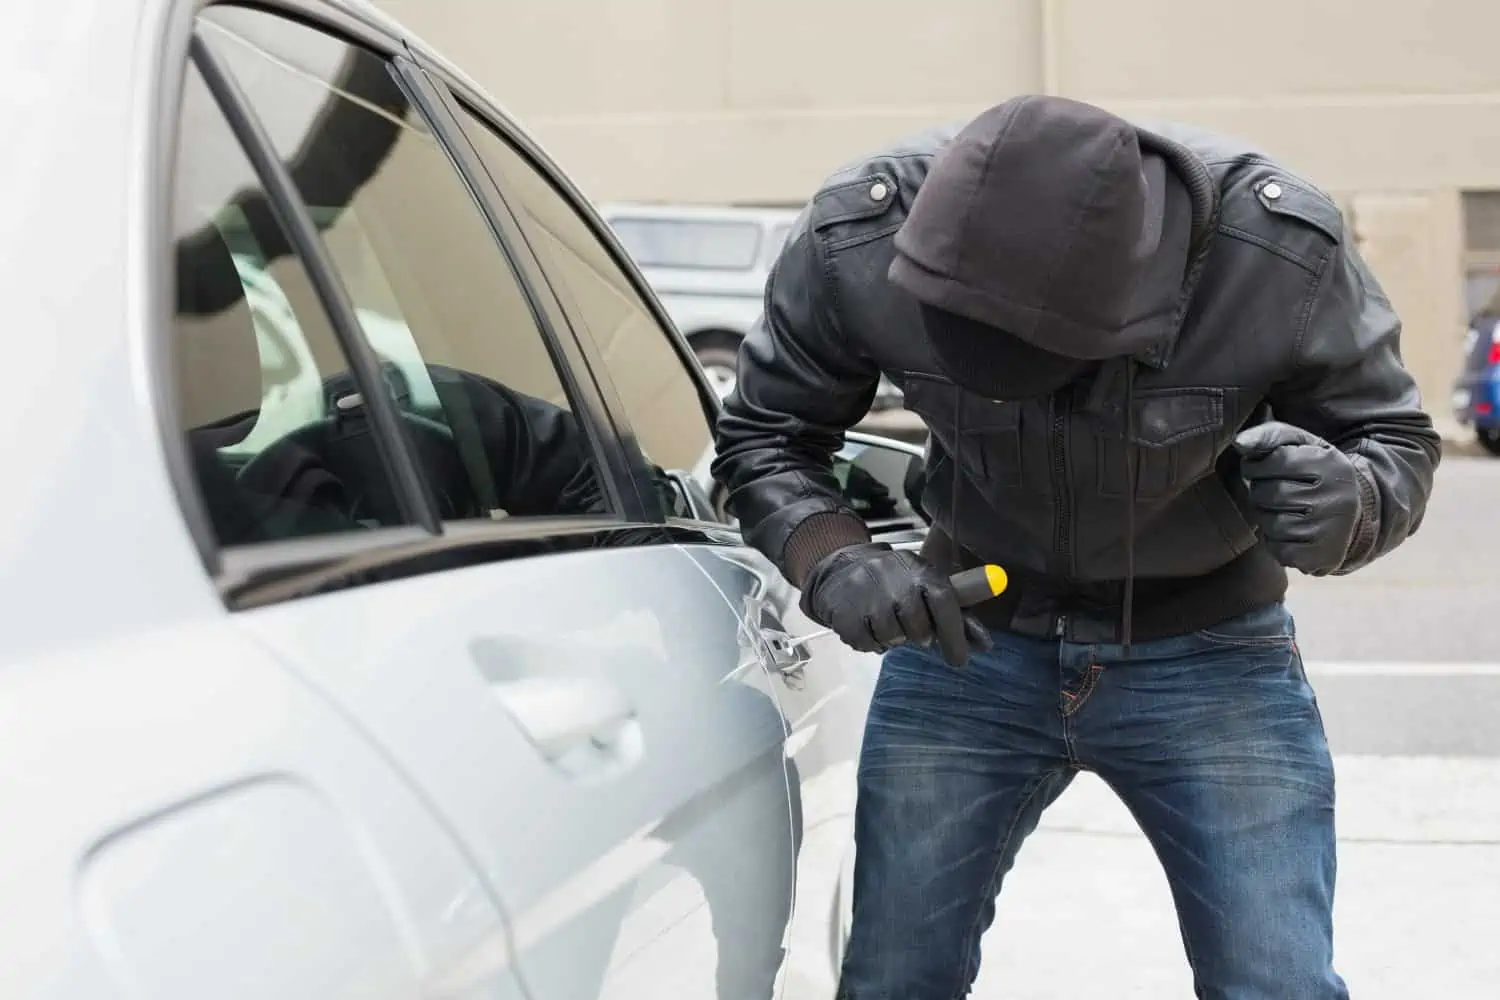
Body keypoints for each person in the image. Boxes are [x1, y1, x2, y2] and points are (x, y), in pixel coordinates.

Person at [712, 95, 1440, 999]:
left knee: (1276, 982)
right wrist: (835, 557)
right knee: (895, 979)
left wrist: (1355, 504)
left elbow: (1394, 439)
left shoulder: (1278, 252)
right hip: (966, 644)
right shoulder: (857, 238)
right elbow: (768, 436)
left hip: (1209, 655)